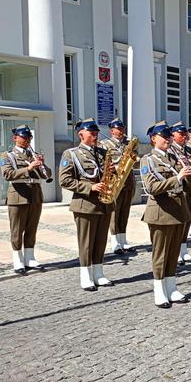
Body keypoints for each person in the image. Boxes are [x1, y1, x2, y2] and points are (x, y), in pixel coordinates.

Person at [140, 121, 191, 308]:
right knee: (161, 253)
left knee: (173, 252)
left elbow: (185, 187)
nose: (169, 140)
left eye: (170, 136)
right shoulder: (148, 160)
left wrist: (187, 175)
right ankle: (159, 291)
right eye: (165, 137)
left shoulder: (175, 158)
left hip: (178, 210)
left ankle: (171, 287)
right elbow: (151, 187)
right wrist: (177, 177)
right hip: (161, 212)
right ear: (154, 138)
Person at [58, 118, 114, 291]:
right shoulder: (71, 154)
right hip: (85, 204)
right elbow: (64, 180)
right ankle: (85, 275)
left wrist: (113, 172)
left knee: (100, 241)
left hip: (104, 203)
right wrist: (90, 187)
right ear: (81, 134)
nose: (95, 135)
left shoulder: (103, 153)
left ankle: (98, 273)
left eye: (96, 133)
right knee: (86, 242)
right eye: (92, 133)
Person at [1, 124, 51, 273]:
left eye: (29, 137)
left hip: (35, 196)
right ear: (15, 138)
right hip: (18, 196)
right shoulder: (8, 155)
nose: (27, 140)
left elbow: (47, 175)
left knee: (31, 228)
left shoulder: (34, 154)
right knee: (17, 229)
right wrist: (28, 169)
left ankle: (30, 257)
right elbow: (7, 174)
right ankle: (17, 259)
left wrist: (43, 165)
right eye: (24, 137)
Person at [99, 117, 136, 254]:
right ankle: (114, 241)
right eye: (118, 129)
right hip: (115, 179)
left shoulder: (128, 143)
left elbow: (135, 161)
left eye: (122, 129)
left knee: (125, 210)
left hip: (128, 180)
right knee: (115, 210)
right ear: (112, 131)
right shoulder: (105, 144)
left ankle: (123, 239)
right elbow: (103, 161)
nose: (121, 131)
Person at [169, 121, 191, 264]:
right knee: (180, 221)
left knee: (188, 220)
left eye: (185, 134)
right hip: (179, 188)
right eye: (180, 134)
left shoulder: (188, 149)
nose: (184, 137)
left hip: (190, 187)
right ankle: (177, 252)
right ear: (173, 135)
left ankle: (184, 249)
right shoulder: (171, 150)